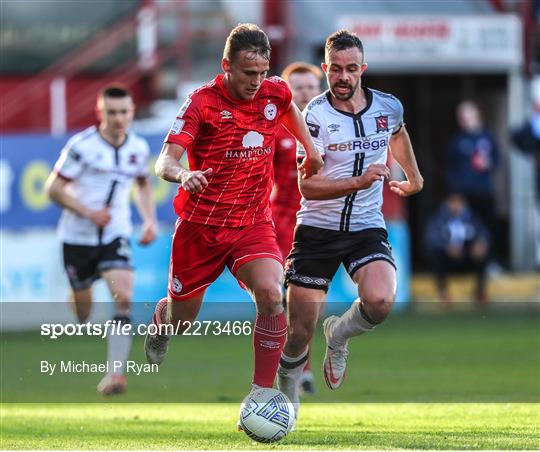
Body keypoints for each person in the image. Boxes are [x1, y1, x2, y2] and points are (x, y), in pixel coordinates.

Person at [142, 24, 323, 415]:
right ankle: (164, 320)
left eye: (261, 72)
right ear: (226, 65)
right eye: (247, 73)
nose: (256, 82)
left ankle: (261, 395)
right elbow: (165, 160)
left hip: (252, 224)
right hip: (200, 229)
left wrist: (310, 148)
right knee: (184, 317)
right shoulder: (201, 103)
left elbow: (288, 105)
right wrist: (183, 174)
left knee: (273, 295)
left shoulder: (274, 90)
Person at [277, 29, 423, 415]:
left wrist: (415, 175)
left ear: (363, 69)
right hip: (317, 231)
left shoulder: (388, 107)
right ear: (326, 68)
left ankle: (339, 336)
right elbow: (307, 186)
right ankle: (287, 402)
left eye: (351, 69)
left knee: (380, 301)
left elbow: (398, 133)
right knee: (298, 331)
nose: (343, 77)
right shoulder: (315, 116)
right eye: (336, 69)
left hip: (365, 226)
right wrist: (358, 181)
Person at [45, 85, 157, 395]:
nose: (119, 118)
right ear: (101, 113)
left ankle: (115, 374)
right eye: (112, 112)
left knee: (123, 296)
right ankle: (77, 292)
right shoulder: (81, 146)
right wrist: (88, 212)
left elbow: (143, 185)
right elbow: (52, 189)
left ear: (132, 111)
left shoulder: (138, 148)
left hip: (114, 233)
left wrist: (149, 220)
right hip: (77, 237)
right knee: (83, 312)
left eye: (124, 112)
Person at [271, 61, 323, 395]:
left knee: (308, 303)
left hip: (316, 224)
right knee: (276, 300)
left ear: (319, 91)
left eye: (310, 86)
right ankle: (278, 367)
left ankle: (302, 367)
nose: (304, 92)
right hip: (278, 224)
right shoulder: (276, 128)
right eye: (298, 87)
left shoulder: (333, 126)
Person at [446, 100, 500, 245]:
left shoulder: (487, 137)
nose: (463, 120)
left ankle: (488, 261)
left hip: (484, 191)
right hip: (464, 193)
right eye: (460, 117)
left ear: (476, 115)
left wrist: (488, 163)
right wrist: (455, 191)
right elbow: (450, 167)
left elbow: (497, 160)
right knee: (466, 229)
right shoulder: (457, 141)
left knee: (487, 226)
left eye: (466, 116)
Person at [425, 194, 490, 304]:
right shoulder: (439, 219)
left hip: (466, 256)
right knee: (436, 255)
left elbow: (484, 234)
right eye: (453, 203)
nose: (456, 206)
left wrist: (480, 244)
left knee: (484, 254)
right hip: (448, 259)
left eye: (459, 203)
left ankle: (480, 291)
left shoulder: (471, 218)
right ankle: (443, 292)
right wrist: (446, 248)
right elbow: (431, 238)